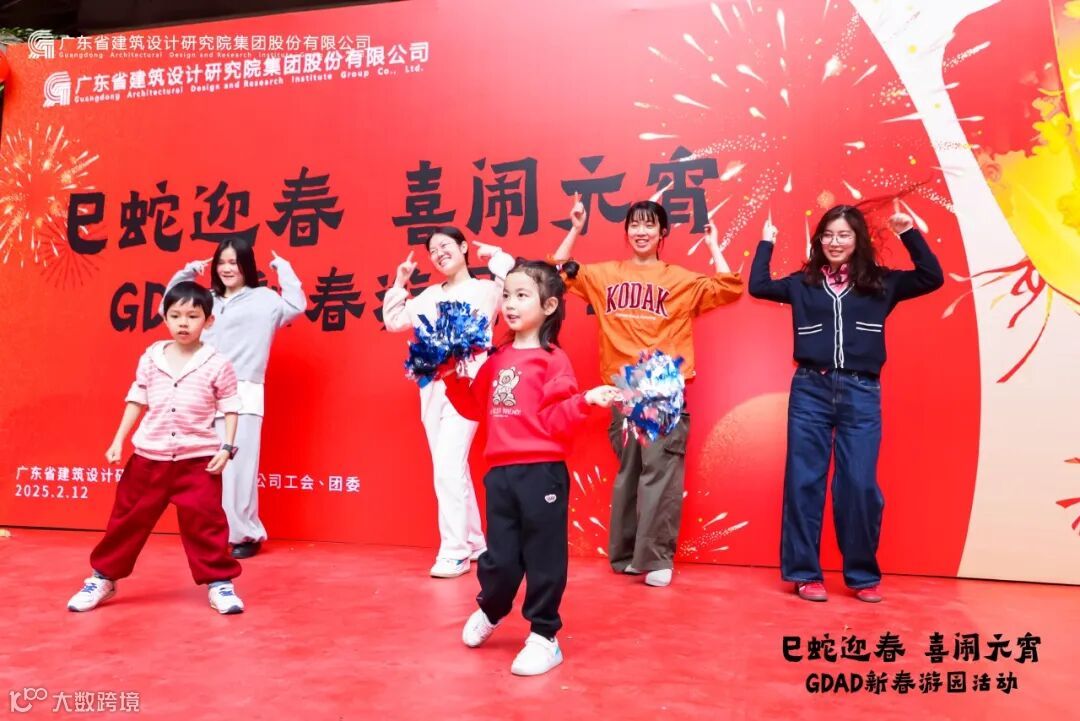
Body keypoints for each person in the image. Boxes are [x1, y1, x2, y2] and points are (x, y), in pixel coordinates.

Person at [747, 201, 944, 602]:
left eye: (844, 235)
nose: (835, 242)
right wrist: (766, 242)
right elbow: (758, 285)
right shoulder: (802, 283)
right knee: (804, 482)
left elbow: (931, 277)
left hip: (861, 392)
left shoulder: (881, 283)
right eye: (828, 235)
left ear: (858, 240)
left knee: (859, 485)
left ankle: (862, 575)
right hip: (810, 390)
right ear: (819, 240)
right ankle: (805, 574)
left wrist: (908, 233)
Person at [551, 197, 743, 587]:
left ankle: (656, 559)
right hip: (623, 390)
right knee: (630, 473)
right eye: (634, 225)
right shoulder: (606, 274)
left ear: (662, 233)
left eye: (649, 225)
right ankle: (625, 555)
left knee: (661, 473)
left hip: (662, 388)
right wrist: (575, 228)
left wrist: (713, 247)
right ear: (626, 232)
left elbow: (728, 288)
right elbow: (557, 271)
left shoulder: (679, 279)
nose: (641, 231)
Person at [443, 259, 619, 676]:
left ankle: (544, 636)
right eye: (507, 295)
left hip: (542, 472)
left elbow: (557, 420)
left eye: (522, 296)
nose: (510, 303)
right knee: (499, 558)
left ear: (549, 305)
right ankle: (492, 608)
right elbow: (475, 406)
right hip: (500, 474)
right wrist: (449, 374)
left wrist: (584, 401)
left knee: (543, 557)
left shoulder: (553, 360)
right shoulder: (497, 357)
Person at [67, 281, 246, 614]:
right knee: (126, 520)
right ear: (164, 318)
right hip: (149, 458)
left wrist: (227, 447)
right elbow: (137, 398)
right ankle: (103, 578)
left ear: (208, 321)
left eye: (192, 316)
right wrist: (118, 439)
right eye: (175, 315)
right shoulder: (151, 358)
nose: (183, 323)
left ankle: (220, 584)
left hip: (198, 461)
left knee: (206, 524)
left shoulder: (217, 364)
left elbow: (231, 406)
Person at [383, 227, 514, 577]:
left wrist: (496, 256)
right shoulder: (427, 296)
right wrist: (400, 282)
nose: (439, 253)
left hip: (468, 387)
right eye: (433, 250)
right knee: (451, 466)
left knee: (447, 465)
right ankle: (474, 541)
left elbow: (512, 289)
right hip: (431, 388)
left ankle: (454, 550)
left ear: (463, 247)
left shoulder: (487, 290)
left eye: (445, 246)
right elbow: (394, 321)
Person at [164, 237, 305, 558]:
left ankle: (245, 535)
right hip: (201, 389)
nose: (227, 268)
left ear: (246, 265)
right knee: (202, 467)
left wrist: (283, 268)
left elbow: (297, 306)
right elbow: (168, 307)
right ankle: (210, 534)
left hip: (243, 391)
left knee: (238, 468)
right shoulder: (206, 300)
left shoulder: (265, 299)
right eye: (222, 262)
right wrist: (186, 274)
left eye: (234, 262)